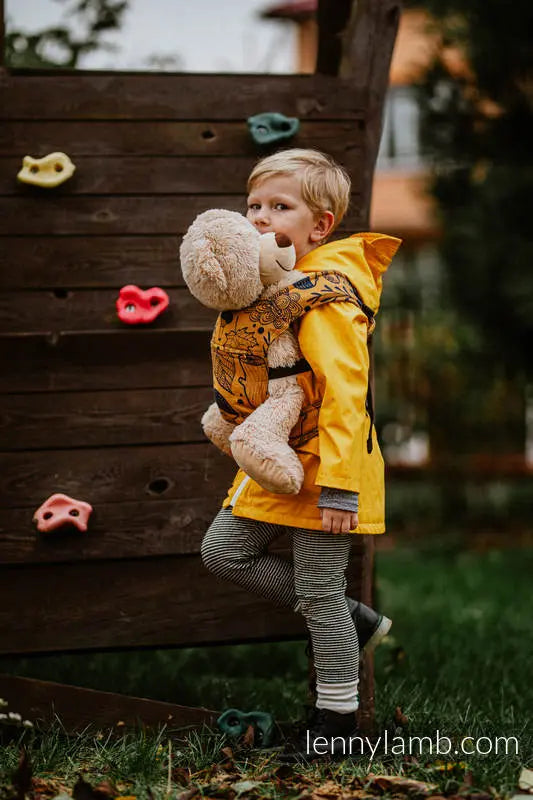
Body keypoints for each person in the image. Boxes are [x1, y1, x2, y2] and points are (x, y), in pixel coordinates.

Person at [200, 148, 401, 760]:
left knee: (316, 589)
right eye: (253, 204)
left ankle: (335, 727)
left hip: (324, 469)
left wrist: (342, 485)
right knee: (222, 553)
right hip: (279, 461)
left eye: (279, 206)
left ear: (320, 225)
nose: (260, 217)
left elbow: (346, 394)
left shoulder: (327, 296)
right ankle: (350, 616)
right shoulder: (272, 288)